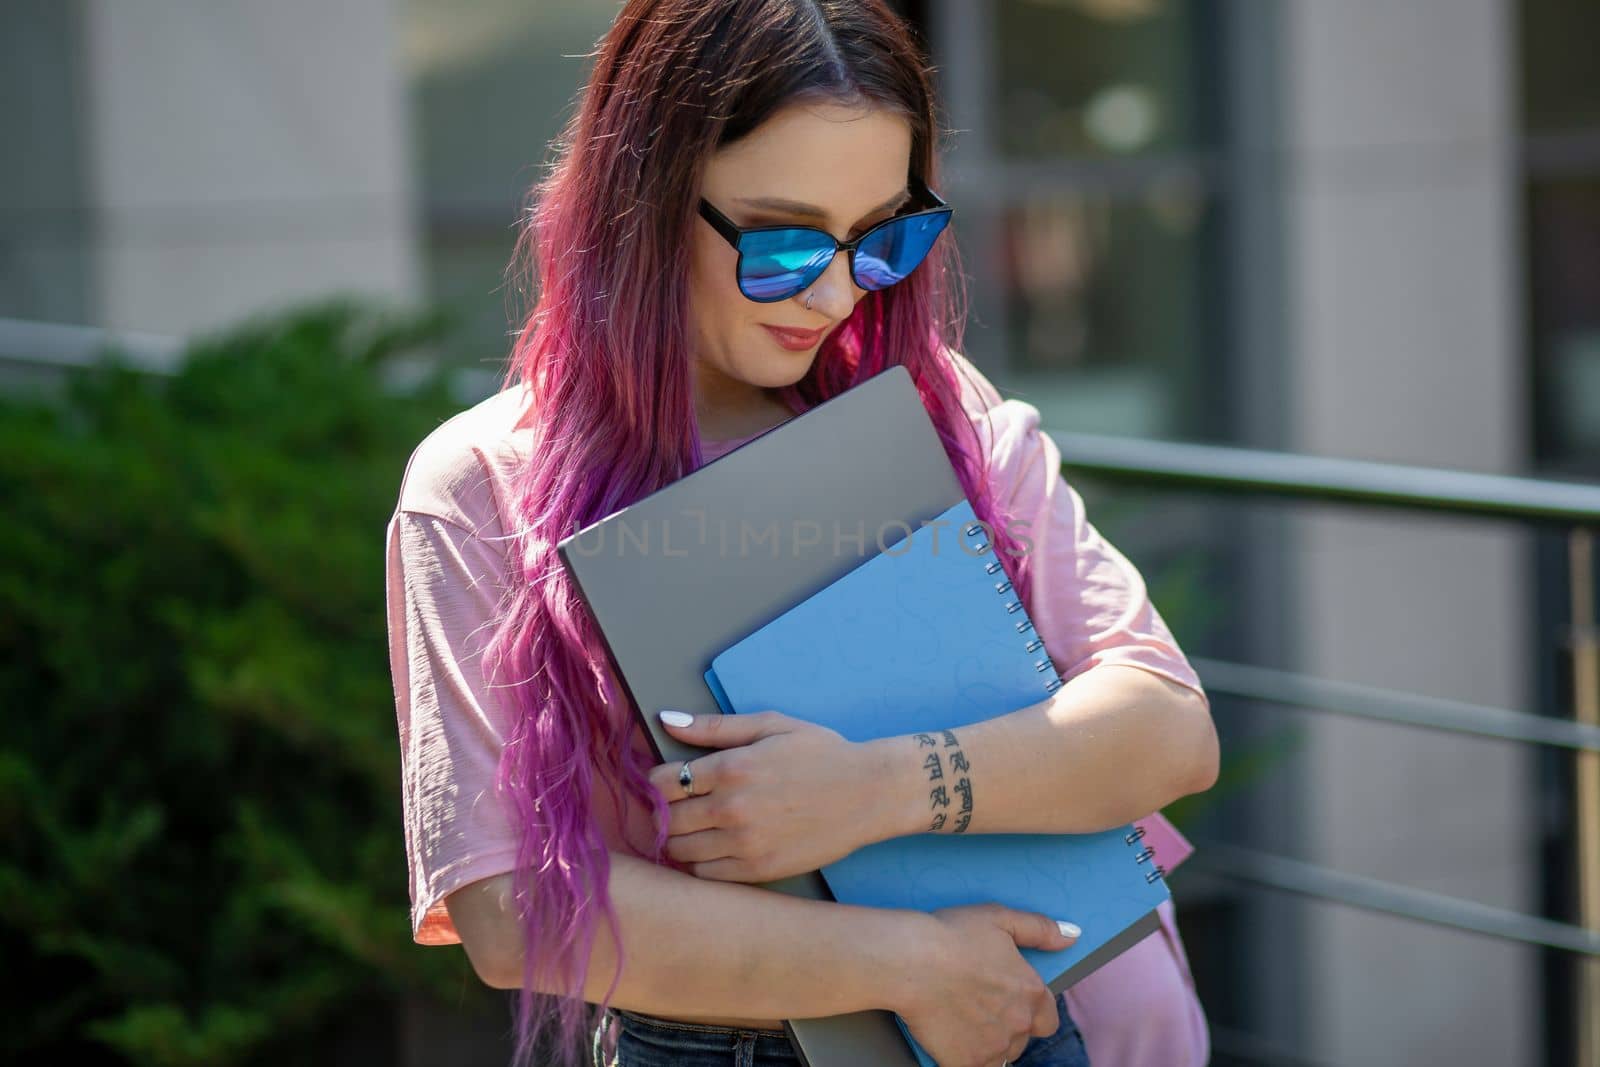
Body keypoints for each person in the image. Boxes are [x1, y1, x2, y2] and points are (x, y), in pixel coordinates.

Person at [383, 2, 1218, 1066]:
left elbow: (1168, 729)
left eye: (882, 236)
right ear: (640, 199)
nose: (832, 292)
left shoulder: (935, 410)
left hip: (1061, 1010)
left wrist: (877, 785)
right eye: (780, 242)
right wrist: (907, 962)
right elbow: (509, 906)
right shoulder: (486, 484)